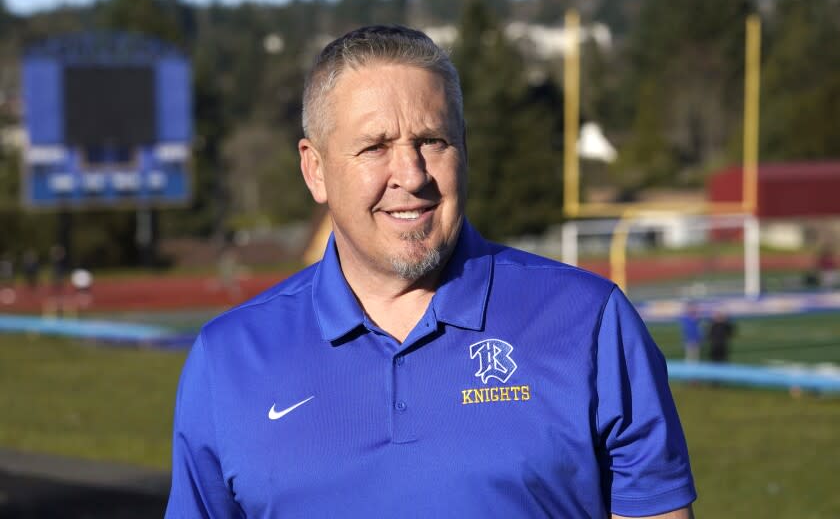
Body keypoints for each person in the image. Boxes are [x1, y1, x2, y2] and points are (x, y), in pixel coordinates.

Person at [166, 26, 696, 518]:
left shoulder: (589, 323)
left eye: (433, 142)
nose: (412, 175)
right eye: (375, 147)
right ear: (315, 169)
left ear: (464, 147)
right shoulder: (228, 359)